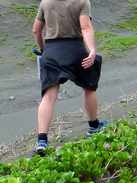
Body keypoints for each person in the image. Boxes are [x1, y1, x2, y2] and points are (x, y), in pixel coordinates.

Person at [32, 0, 106, 156]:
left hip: (51, 51)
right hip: (76, 50)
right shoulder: (82, 1)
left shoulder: (45, 2)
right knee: (89, 88)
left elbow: (36, 30)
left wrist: (43, 49)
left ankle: (42, 141)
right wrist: (92, 50)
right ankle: (94, 126)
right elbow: (86, 28)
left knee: (49, 96)